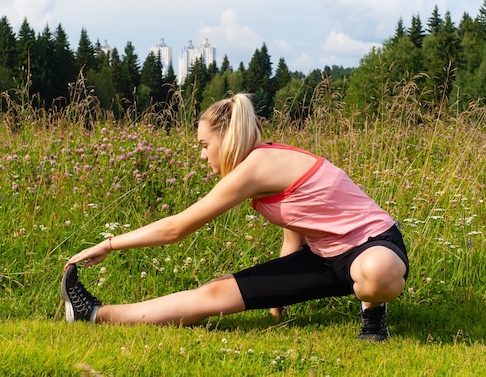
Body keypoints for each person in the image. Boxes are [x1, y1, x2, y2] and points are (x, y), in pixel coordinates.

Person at [61, 93, 409, 341]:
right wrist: (280, 294)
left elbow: (176, 228)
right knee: (212, 294)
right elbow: (297, 226)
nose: (202, 156)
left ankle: (372, 317)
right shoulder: (262, 164)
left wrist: (109, 244)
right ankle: (92, 313)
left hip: (372, 245)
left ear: (226, 139)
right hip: (322, 258)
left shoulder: (257, 166)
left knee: (376, 272)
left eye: (203, 145)